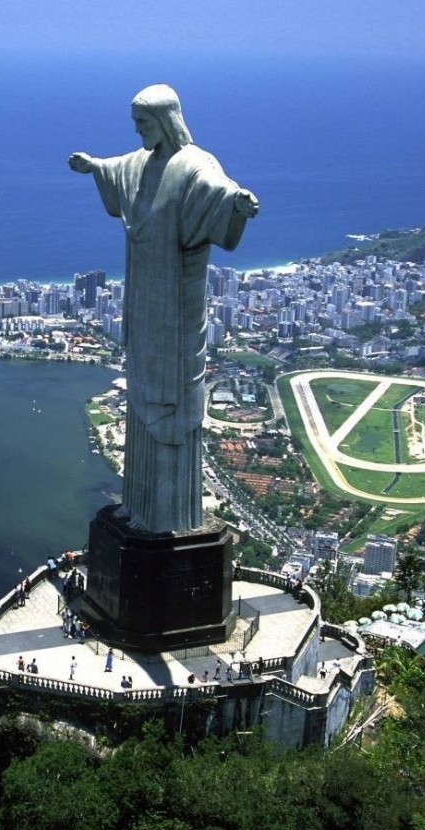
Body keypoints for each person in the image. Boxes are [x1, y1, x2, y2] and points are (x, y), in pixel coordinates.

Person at [69, 85, 257, 533]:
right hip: (144, 303)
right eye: (136, 124)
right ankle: (139, 507)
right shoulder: (140, 162)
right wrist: (94, 165)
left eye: (144, 124)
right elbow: (118, 172)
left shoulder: (194, 164)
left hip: (176, 306)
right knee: (140, 397)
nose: (138, 132)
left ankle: (171, 517)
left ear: (168, 121)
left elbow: (219, 193)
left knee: (173, 400)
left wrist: (238, 204)